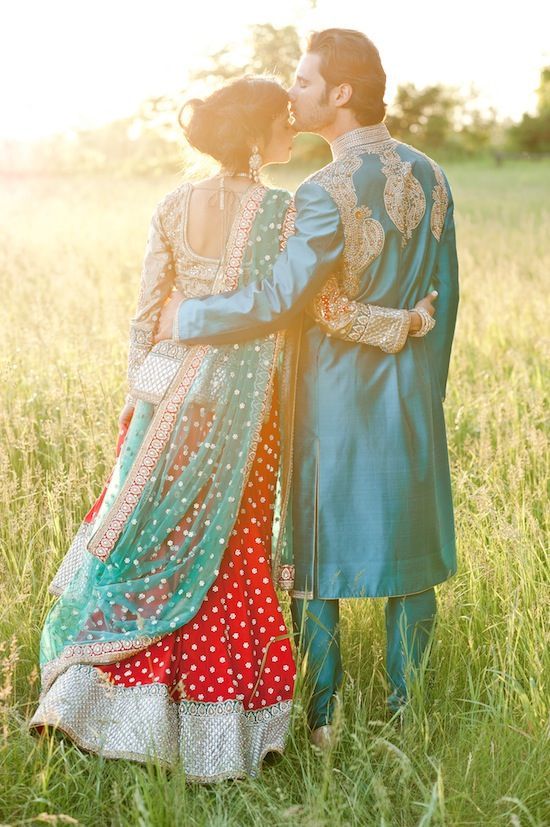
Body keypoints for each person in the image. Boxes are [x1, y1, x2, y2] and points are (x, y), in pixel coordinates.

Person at [28, 75, 435, 779]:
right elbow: (325, 311)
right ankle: (201, 730)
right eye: (283, 120)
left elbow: (144, 316)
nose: (293, 129)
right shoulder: (283, 212)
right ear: (255, 136)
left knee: (151, 549)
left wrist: (139, 400)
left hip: (163, 407)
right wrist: (407, 322)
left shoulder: (172, 203)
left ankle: (92, 701)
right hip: (241, 417)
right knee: (224, 559)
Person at [156, 29, 459, 750]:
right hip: (413, 400)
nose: (290, 94)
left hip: (332, 405)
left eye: (302, 80)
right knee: (410, 565)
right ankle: (406, 720)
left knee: (315, 566)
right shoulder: (435, 175)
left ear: (340, 94)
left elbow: (282, 299)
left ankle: (322, 721)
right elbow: (446, 305)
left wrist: (187, 315)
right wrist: (425, 391)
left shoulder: (321, 192)